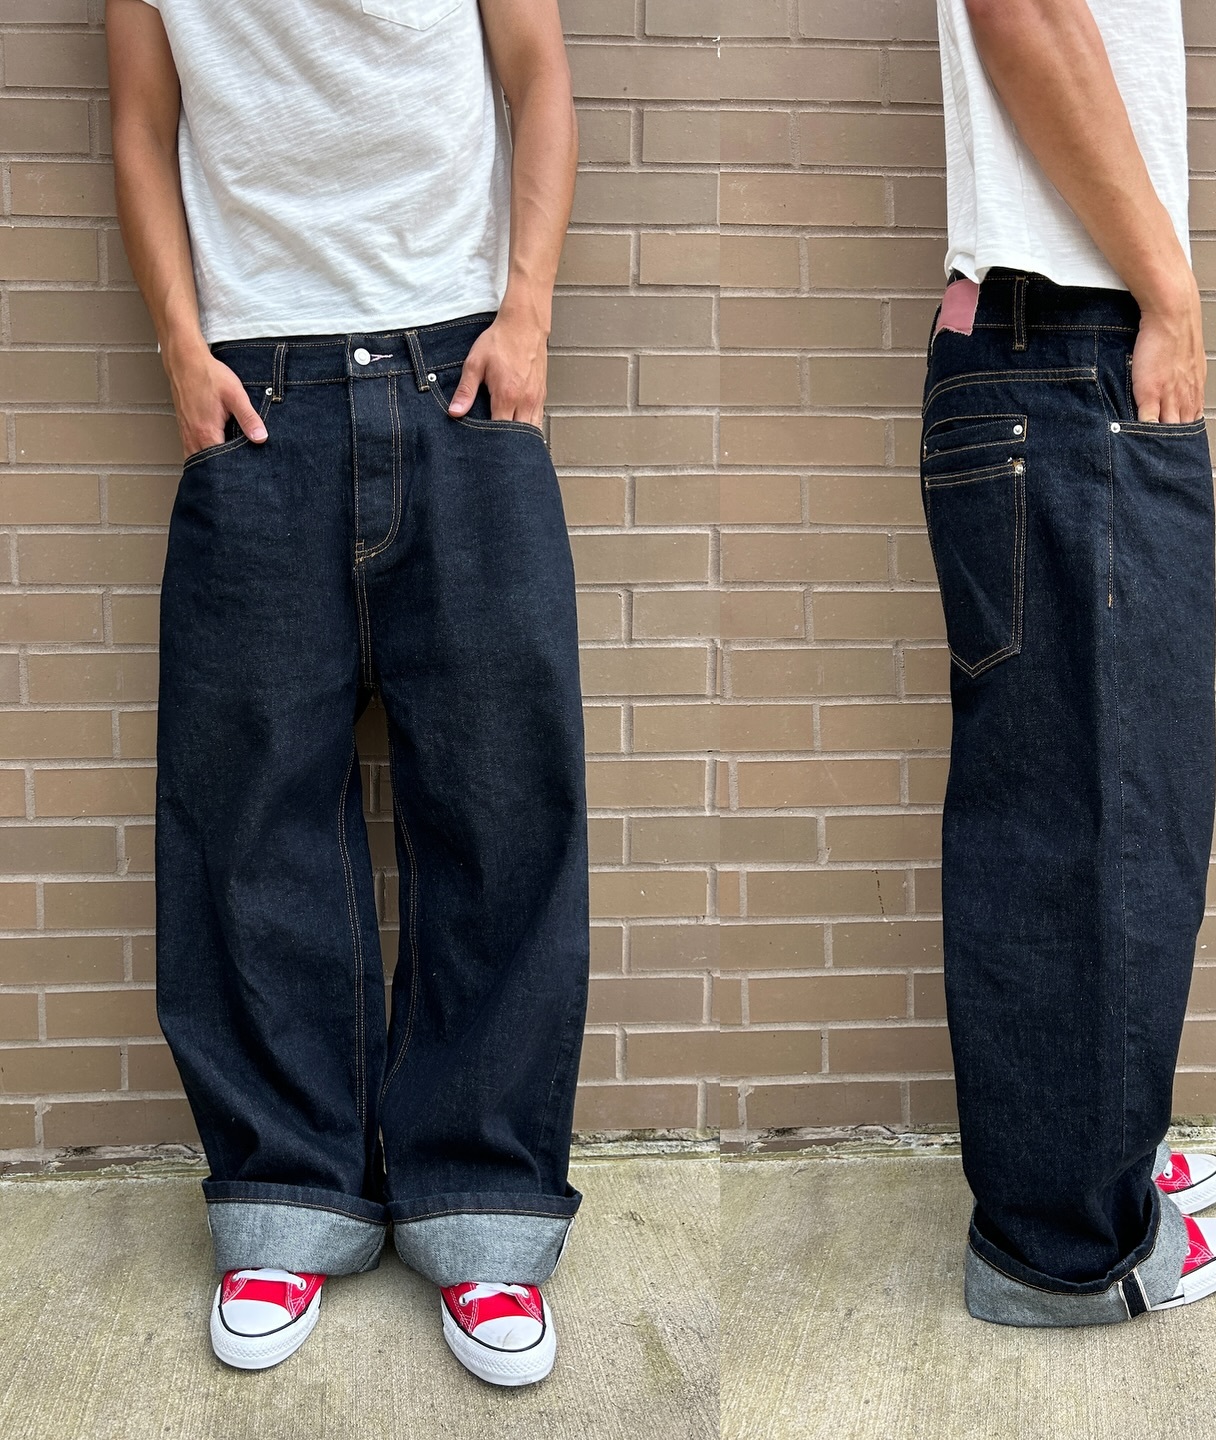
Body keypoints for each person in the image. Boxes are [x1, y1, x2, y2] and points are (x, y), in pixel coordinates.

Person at [108, 0, 586, 1384]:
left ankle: (482, 1208)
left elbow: (540, 74)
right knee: (248, 818)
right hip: (254, 388)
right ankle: (285, 1198)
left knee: (502, 810)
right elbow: (139, 124)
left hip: (464, 375)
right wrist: (181, 351)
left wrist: (529, 310)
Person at [922, 0, 1216, 1325]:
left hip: (1053, 359)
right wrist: (1168, 288)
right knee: (1089, 830)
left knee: (1114, 813)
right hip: (1066, 350)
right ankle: (1061, 1250)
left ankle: (1095, 1154)